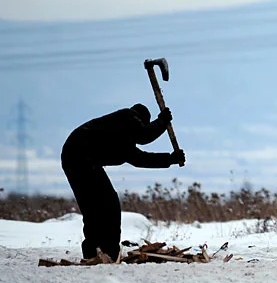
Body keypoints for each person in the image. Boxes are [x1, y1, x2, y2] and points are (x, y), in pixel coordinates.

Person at [61, 104, 185, 259]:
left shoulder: (122, 140)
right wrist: (162, 121)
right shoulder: (127, 116)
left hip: (77, 159)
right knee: (104, 204)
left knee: (97, 207)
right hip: (80, 158)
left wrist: (171, 159)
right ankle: (106, 251)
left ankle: (100, 251)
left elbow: (141, 159)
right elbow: (145, 135)